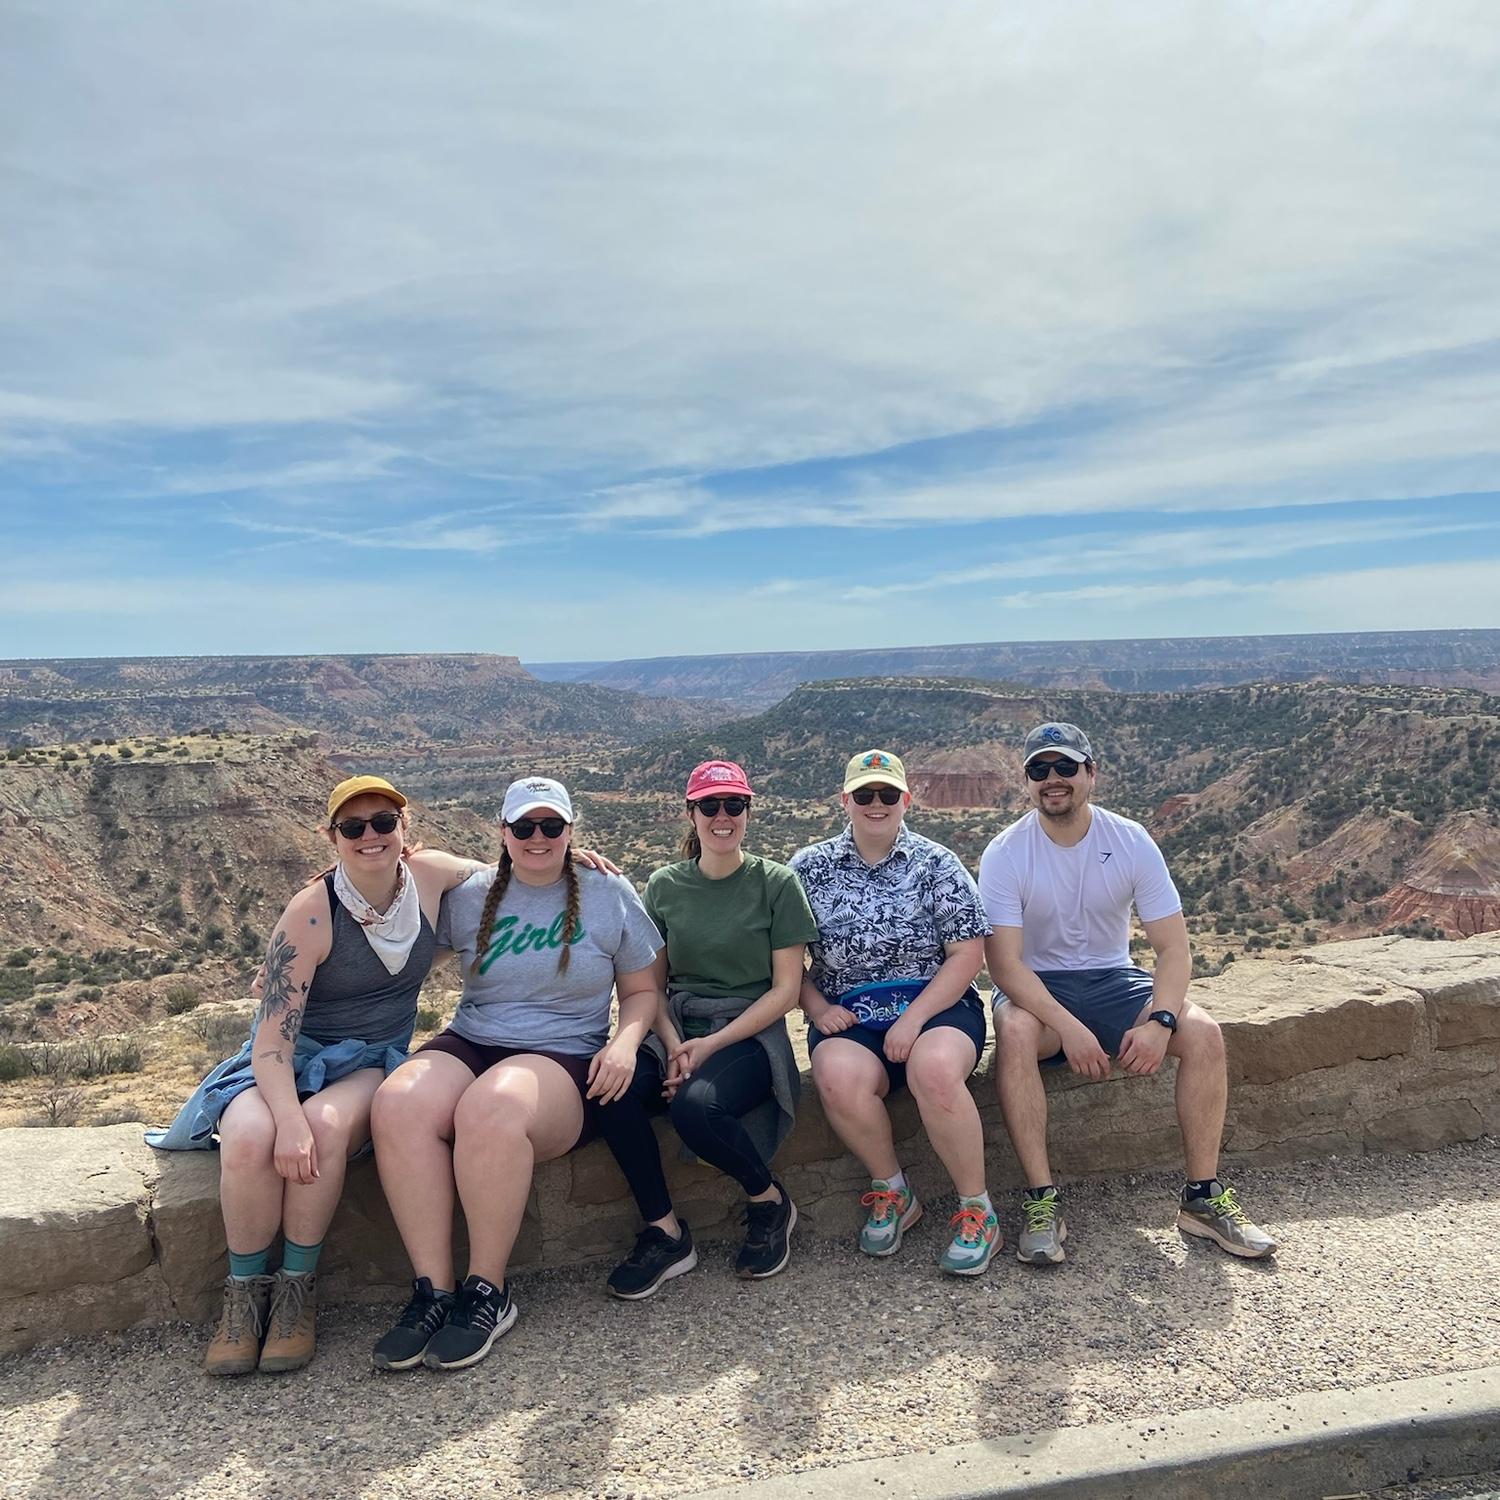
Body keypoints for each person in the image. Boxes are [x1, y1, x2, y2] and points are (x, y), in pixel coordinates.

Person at [148, 775, 480, 1376]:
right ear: (333, 838)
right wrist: (285, 1120)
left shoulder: (431, 876)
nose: (370, 835)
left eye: (384, 822)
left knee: (325, 1130)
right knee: (252, 1137)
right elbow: (272, 1046)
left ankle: (297, 1293)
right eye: (353, 828)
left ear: (406, 831)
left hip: (370, 1057)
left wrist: (579, 864)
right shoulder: (310, 912)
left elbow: (510, 867)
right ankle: (245, 1300)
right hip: (290, 1058)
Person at [369, 775, 663, 1373]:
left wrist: (627, 1043)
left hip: (563, 1055)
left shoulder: (607, 890)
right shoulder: (473, 895)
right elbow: (400, 941)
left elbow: (641, 988)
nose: (538, 838)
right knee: (397, 1102)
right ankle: (434, 1292)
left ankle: (487, 1291)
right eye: (524, 827)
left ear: (570, 830)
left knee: (491, 1106)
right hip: (473, 1038)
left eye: (551, 826)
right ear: (503, 833)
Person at [978, 722, 1277, 1264]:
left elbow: (1173, 951)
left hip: (1114, 979)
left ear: (1091, 773)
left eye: (1066, 767)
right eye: (1039, 770)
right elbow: (1004, 966)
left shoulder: (1130, 839)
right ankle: (1042, 1202)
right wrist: (1070, 1028)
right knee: (1016, 1029)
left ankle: (1203, 1198)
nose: (1053, 779)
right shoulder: (1006, 852)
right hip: (1040, 989)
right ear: (1026, 783)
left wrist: (1161, 1021)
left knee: (1204, 1033)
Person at [595, 760, 818, 1298]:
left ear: (747, 811)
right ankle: (665, 1232)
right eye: (711, 806)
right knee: (608, 1092)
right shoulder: (666, 886)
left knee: (695, 1106)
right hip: (676, 1025)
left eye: (734, 805)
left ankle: (768, 1201)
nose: (723, 817)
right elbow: (652, 982)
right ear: (691, 814)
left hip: (747, 1033)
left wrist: (710, 1044)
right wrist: (674, 1046)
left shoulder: (776, 883)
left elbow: (785, 990)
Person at [790, 749, 1000, 1275]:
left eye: (888, 794)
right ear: (846, 801)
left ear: (907, 800)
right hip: (849, 1013)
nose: (876, 804)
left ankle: (978, 1208)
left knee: (933, 1070)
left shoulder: (937, 863)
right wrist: (816, 1007)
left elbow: (967, 956)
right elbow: (784, 959)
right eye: (865, 795)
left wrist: (912, 1020)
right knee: (836, 1076)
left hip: (937, 1007)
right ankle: (894, 1191)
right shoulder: (807, 869)